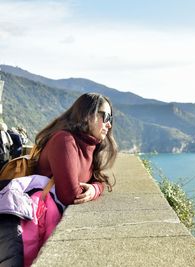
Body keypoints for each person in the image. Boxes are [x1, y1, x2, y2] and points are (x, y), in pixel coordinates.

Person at [0, 93, 118, 266]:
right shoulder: (64, 140)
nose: (109, 124)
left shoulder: (91, 145)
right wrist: (94, 189)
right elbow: (70, 195)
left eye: (111, 118)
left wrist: (94, 188)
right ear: (88, 114)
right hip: (31, 222)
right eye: (105, 116)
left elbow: (100, 180)